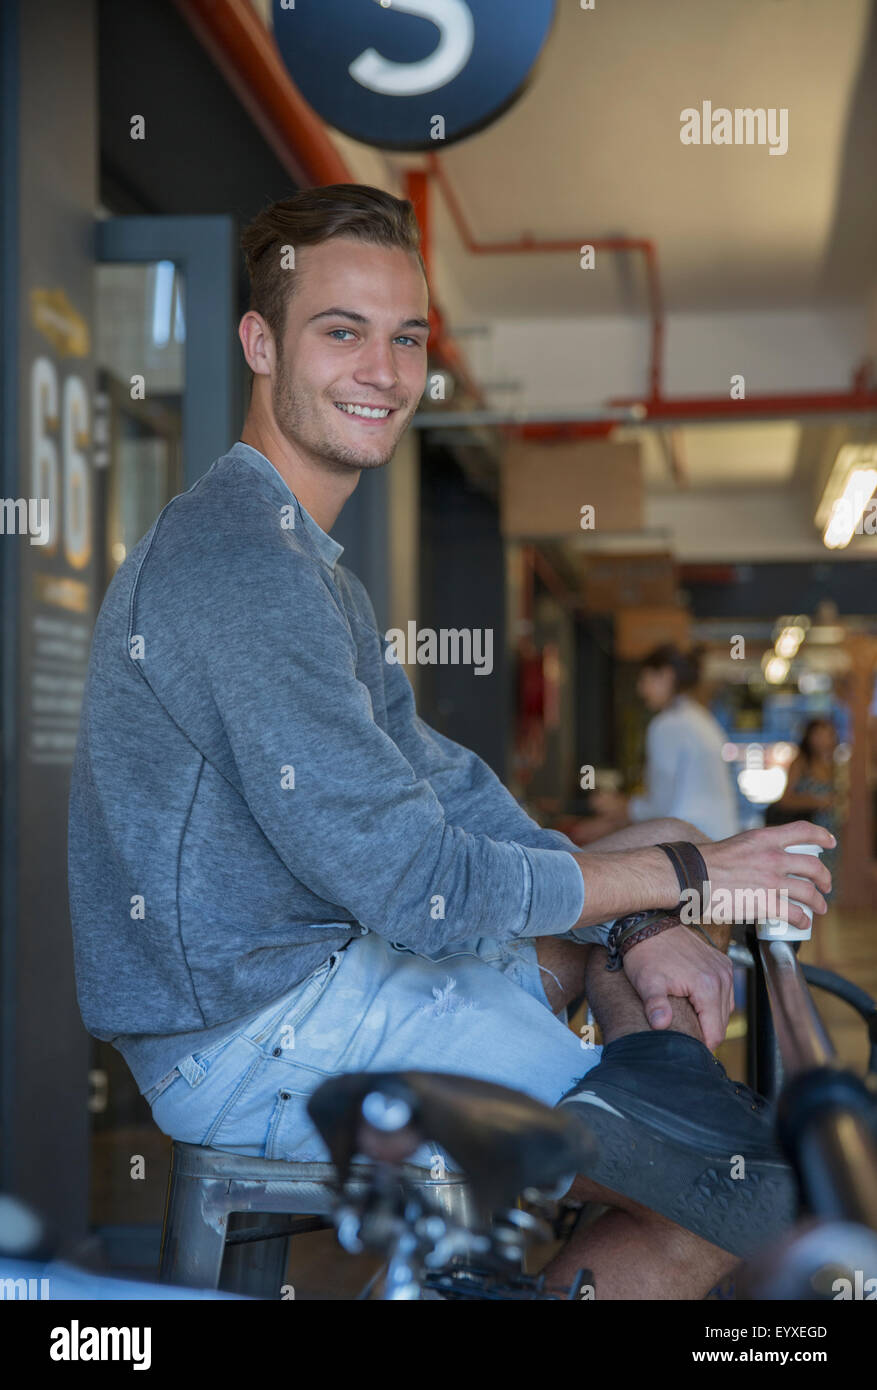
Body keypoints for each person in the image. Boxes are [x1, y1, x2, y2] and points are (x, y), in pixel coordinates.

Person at [68, 185, 834, 1299]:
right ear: (259, 341)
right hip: (253, 1032)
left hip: (330, 973)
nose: (383, 369)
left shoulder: (301, 560)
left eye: (406, 337)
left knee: (651, 862)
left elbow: (450, 791)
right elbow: (419, 885)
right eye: (341, 331)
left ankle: (619, 1109)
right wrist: (690, 877)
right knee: (751, 1195)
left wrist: (641, 912)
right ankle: (614, 1161)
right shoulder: (240, 565)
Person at [589, 644, 740, 843]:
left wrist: (618, 806)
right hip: (717, 839)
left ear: (666, 676)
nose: (640, 689)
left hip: (692, 844)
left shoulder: (668, 725)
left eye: (646, 679)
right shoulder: (700, 718)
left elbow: (660, 807)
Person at [774, 717, 841, 887]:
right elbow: (786, 800)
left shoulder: (835, 765)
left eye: (828, 734)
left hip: (831, 833)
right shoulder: (801, 763)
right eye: (818, 734)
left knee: (828, 881)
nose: (824, 739)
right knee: (806, 881)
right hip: (806, 834)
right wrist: (815, 802)